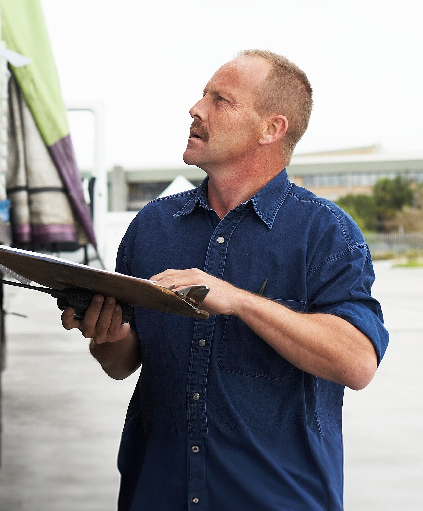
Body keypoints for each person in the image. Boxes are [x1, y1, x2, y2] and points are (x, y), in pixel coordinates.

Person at [61, 50, 388, 510]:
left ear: (271, 129)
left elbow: (357, 362)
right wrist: (108, 337)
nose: (196, 108)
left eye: (221, 100)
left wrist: (238, 301)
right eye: (202, 95)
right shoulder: (153, 227)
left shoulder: (326, 233)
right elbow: (120, 363)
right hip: (156, 495)